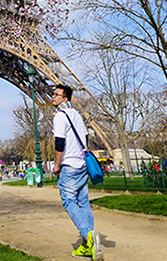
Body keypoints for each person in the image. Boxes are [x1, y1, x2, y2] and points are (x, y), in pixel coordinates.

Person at [52, 84, 103, 261]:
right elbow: (85, 138)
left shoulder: (60, 116)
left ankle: (89, 236)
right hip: (82, 164)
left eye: (57, 95)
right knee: (83, 201)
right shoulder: (76, 115)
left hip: (69, 165)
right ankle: (88, 246)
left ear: (65, 98)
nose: (53, 97)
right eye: (53, 94)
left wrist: (57, 165)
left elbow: (59, 142)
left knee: (68, 200)